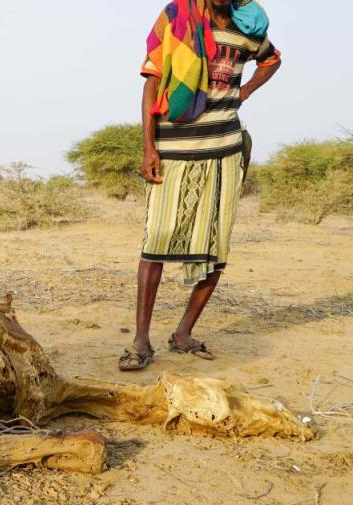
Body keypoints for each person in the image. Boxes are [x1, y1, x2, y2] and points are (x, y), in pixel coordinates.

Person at [119, 0, 281, 371]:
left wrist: (246, 90)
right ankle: (141, 340)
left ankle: (183, 334)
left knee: (216, 245)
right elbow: (152, 82)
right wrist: (148, 148)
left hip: (225, 149)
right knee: (156, 240)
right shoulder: (177, 17)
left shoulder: (248, 26)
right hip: (173, 148)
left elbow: (272, 59)